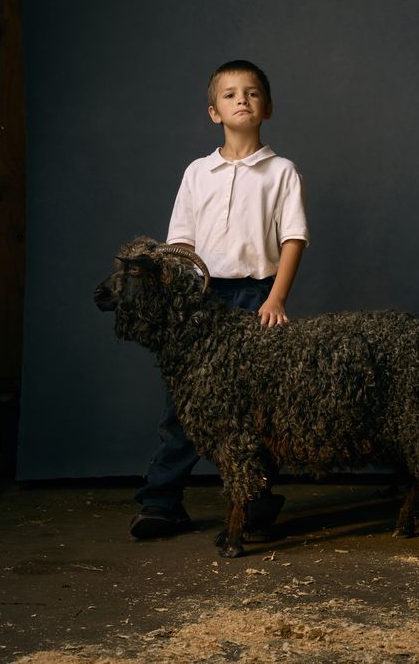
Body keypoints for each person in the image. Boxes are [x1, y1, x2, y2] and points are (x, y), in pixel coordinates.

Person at [129, 59, 309, 539]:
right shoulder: (197, 172)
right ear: (214, 112)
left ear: (266, 108)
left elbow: (293, 239)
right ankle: (162, 502)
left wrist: (276, 298)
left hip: (256, 298)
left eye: (251, 93)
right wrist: (184, 303)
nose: (242, 100)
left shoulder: (281, 171)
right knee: (185, 406)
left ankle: (255, 504)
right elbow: (180, 244)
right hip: (201, 302)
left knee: (258, 407)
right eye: (230, 95)